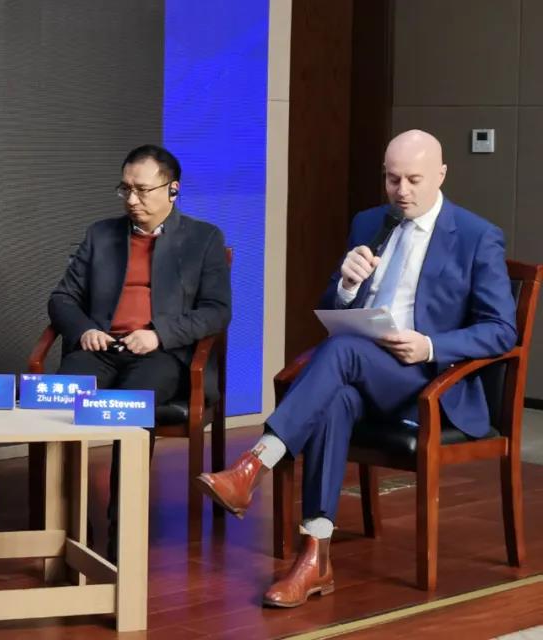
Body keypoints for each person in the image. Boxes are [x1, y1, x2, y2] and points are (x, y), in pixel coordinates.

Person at [195, 129, 517, 608]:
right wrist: (346, 286)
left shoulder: (476, 235)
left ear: (441, 175)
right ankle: (314, 557)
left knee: (342, 352)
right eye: (392, 179)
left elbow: (501, 330)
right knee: (337, 397)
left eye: (413, 180)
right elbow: (331, 307)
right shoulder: (369, 222)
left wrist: (430, 345)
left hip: (429, 380)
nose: (401, 191)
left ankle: (254, 464)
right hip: (363, 369)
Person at [49, 144, 231, 562]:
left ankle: (122, 535)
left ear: (173, 190)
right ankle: (66, 526)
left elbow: (217, 311)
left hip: (161, 356)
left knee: (130, 408)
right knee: (57, 398)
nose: (132, 199)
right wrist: (85, 329)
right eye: (125, 189)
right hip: (101, 349)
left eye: (142, 190)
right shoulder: (101, 235)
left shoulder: (203, 239)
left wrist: (159, 335)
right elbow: (62, 298)